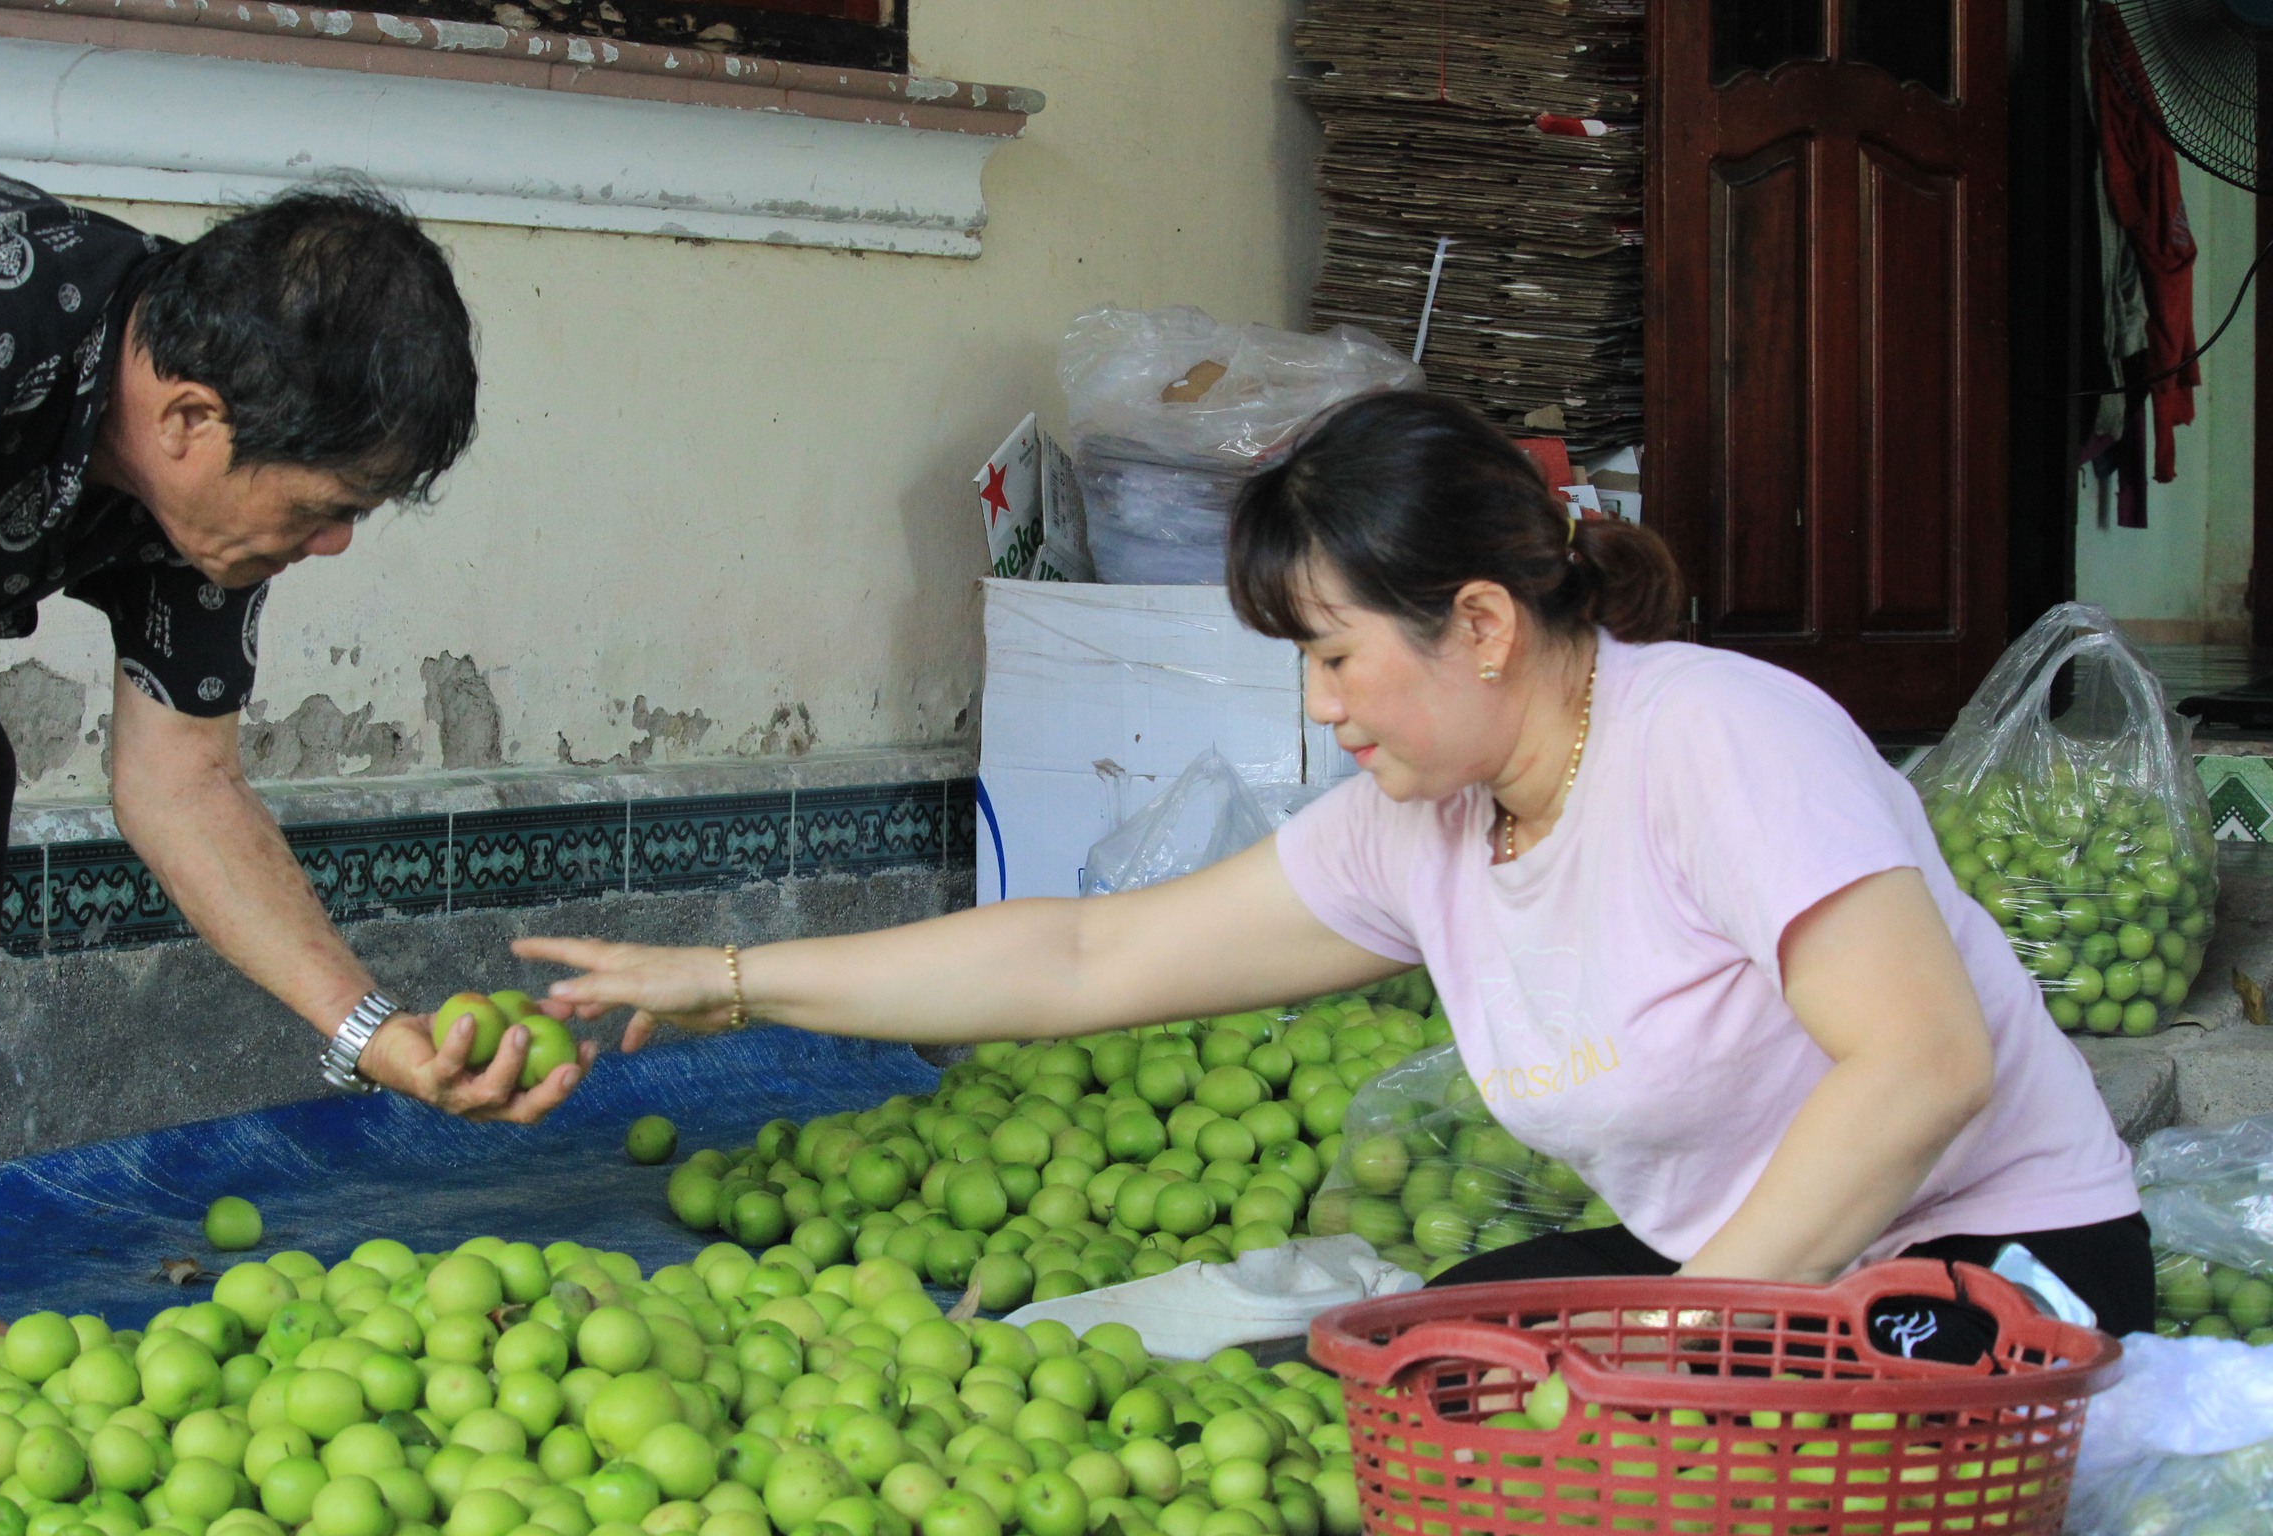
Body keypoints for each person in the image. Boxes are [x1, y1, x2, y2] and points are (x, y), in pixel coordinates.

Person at [520, 390, 2150, 1340]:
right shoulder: (1424, 824)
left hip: (1991, 1258)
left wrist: (1669, 1344)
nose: (1318, 709)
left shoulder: (1722, 739)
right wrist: (731, 982)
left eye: (1332, 656)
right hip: (1753, 1274)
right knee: (1404, 1367)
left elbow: (1926, 1061)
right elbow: (1088, 960)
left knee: (1622, 1472)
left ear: (1486, 626)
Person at [0, 119, 593, 1493]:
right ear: (189, 422)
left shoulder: (207, 449)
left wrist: (375, 1034)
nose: (332, 543)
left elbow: (181, 780)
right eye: (321, 507)